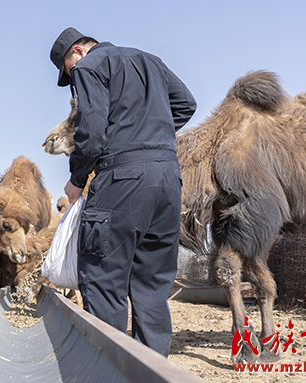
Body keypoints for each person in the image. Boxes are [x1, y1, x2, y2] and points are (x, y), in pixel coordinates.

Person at [49, 27, 196, 357]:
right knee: (153, 285)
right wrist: (149, 133)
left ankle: (111, 370)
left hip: (122, 181)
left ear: (77, 52)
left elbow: (92, 131)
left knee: (103, 279)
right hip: (168, 180)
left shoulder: (90, 67)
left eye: (69, 72)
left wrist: (76, 178)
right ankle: (151, 371)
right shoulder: (150, 60)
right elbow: (187, 104)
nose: (73, 78)